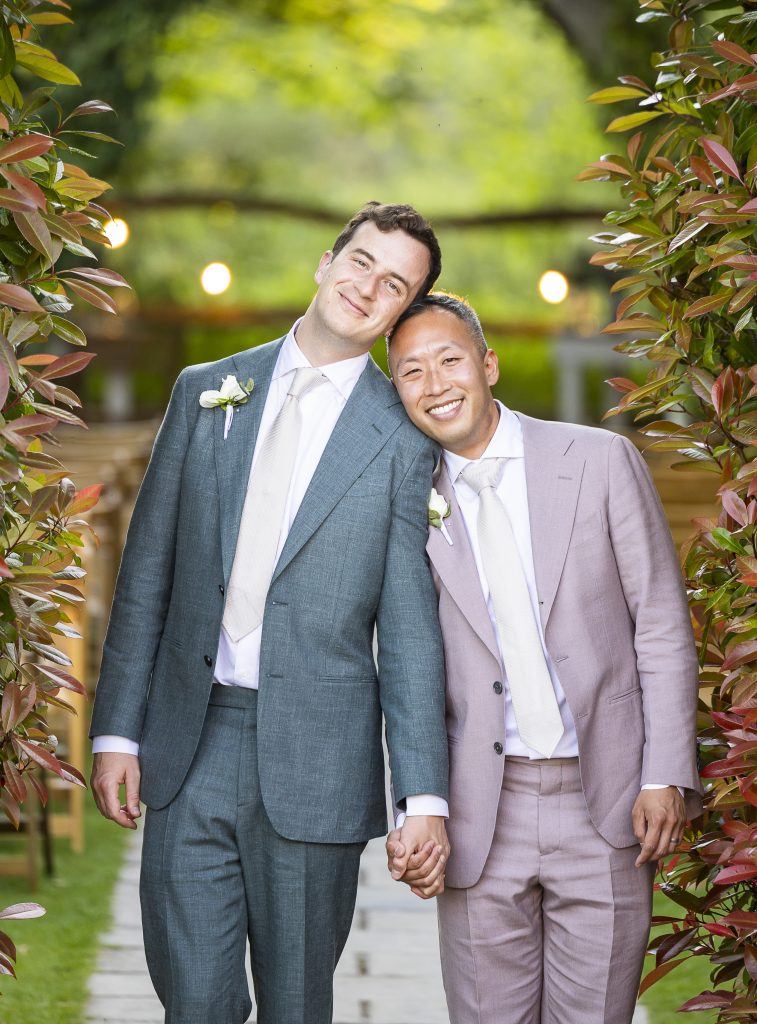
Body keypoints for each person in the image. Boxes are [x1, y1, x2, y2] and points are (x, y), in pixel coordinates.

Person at [89, 202, 450, 1024]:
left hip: (318, 763)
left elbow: (409, 632)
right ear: (327, 262)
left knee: (295, 1004)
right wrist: (117, 730)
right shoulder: (205, 392)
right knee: (195, 1001)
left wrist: (421, 794)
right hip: (189, 743)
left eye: (395, 284)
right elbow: (149, 571)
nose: (369, 287)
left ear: (403, 311)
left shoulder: (402, 438)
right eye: (361, 262)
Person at [385, 292, 701, 1024]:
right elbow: (402, 667)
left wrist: (663, 774)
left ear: (487, 364)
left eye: (450, 361)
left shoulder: (597, 460)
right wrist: (417, 805)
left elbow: (659, 620)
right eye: (409, 373)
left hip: (608, 802)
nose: (435, 386)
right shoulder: (401, 501)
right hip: (477, 810)